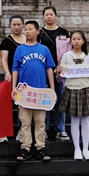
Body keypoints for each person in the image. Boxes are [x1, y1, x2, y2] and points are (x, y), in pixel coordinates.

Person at [11, 20, 55, 162]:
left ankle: (40, 147)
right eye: (26, 29)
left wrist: (52, 89)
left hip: (41, 92)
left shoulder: (44, 49)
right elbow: (15, 69)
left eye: (30, 29)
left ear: (37, 32)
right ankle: (25, 148)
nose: (27, 31)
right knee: (25, 121)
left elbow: (49, 68)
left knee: (40, 121)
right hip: (24, 92)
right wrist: (13, 88)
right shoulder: (20, 49)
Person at [57, 30, 89, 160]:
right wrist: (59, 70)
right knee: (74, 120)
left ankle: (86, 149)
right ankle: (77, 149)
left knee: (85, 120)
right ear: (70, 41)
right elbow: (60, 73)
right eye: (74, 39)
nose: (76, 41)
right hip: (72, 89)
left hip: (86, 89)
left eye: (79, 39)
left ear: (83, 41)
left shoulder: (87, 56)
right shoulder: (67, 55)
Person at [40, 6, 70, 141]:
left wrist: (62, 66)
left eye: (51, 14)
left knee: (60, 99)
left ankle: (60, 129)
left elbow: (68, 51)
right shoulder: (40, 33)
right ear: (43, 17)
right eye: (46, 14)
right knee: (45, 99)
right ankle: (44, 129)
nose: (49, 17)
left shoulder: (63, 32)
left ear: (56, 16)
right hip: (44, 70)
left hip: (59, 71)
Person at [0, 14, 26, 142]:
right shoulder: (6, 41)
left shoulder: (28, 39)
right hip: (11, 77)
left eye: (19, 24)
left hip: (26, 76)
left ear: (23, 25)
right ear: (10, 26)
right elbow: (3, 59)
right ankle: (4, 131)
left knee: (23, 104)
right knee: (8, 104)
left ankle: (22, 131)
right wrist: (7, 72)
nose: (16, 27)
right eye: (14, 25)